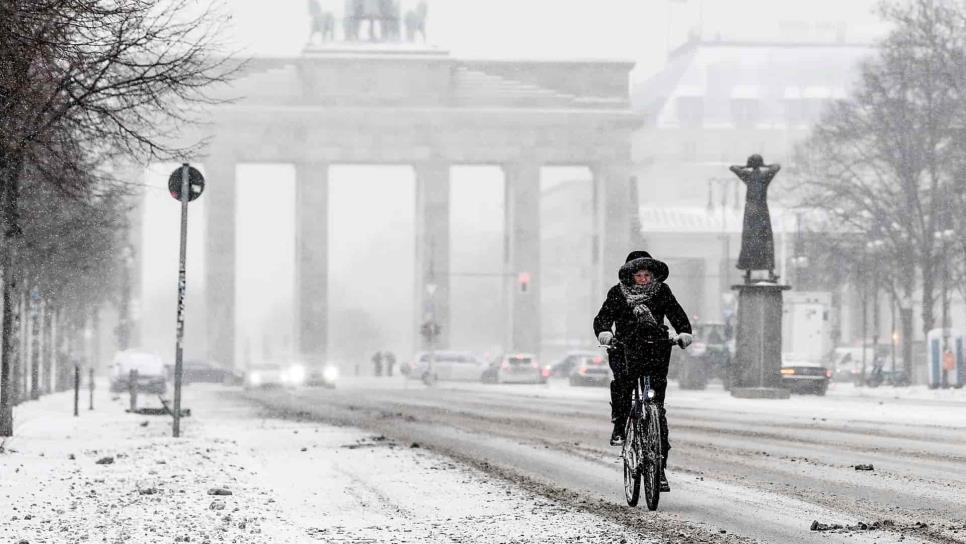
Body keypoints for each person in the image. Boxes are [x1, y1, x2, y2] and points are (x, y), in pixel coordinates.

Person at [593, 252, 692, 491]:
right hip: (625, 348)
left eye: (648, 275)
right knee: (623, 385)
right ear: (630, 275)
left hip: (654, 348)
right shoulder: (617, 294)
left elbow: (676, 314)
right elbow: (603, 318)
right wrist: (605, 332)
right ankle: (620, 425)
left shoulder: (662, 292)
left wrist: (684, 332)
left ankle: (659, 469)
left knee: (657, 406)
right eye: (639, 275)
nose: (644, 279)